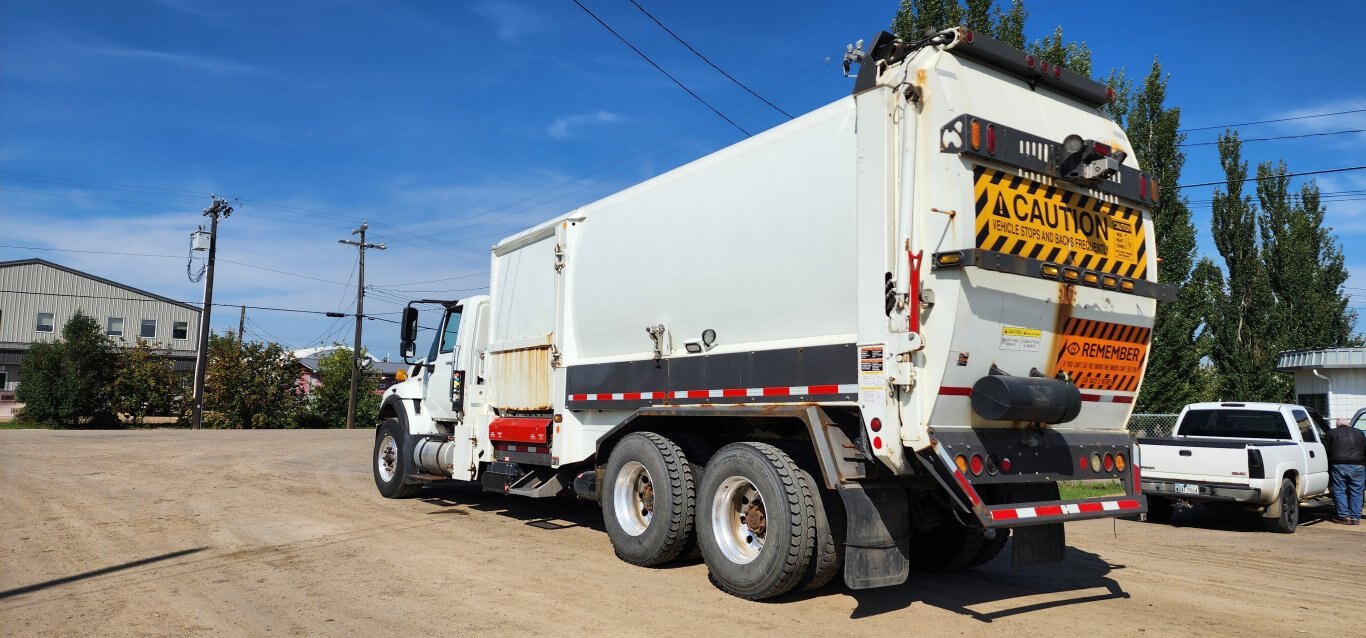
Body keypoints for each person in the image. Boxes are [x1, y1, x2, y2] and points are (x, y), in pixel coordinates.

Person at [1324, 416, 1366, 525]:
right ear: (1349, 425)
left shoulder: (1332, 433)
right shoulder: (1359, 433)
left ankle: (1344, 516)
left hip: (1338, 465)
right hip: (1358, 465)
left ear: (1337, 425)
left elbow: (1325, 449)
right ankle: (1355, 518)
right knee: (1357, 491)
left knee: (1339, 490)